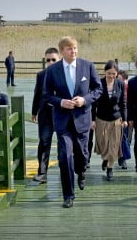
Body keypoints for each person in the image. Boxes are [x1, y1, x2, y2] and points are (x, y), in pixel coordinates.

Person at [43, 36, 102, 208]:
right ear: (62, 51)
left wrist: (85, 100)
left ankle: (82, 171)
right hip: (62, 121)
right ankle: (68, 195)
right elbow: (46, 95)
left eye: (75, 48)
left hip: (82, 119)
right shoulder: (53, 70)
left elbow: (98, 89)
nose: (73, 51)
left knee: (82, 155)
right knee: (65, 156)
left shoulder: (87, 66)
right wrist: (60, 102)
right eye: (69, 49)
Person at [92, 60, 127, 181]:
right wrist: (92, 120)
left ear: (117, 73)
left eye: (114, 73)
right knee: (103, 143)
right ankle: (105, 159)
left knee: (113, 145)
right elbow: (93, 104)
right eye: (109, 73)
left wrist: (125, 119)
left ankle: (109, 168)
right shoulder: (98, 84)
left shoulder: (120, 84)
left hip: (116, 119)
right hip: (101, 118)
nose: (111, 76)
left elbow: (123, 103)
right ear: (105, 72)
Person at [32, 47, 60, 183]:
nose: (50, 62)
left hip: (61, 114)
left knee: (64, 143)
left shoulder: (65, 74)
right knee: (44, 142)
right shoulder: (41, 75)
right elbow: (37, 93)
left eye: (53, 59)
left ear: (59, 59)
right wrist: (34, 111)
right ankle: (42, 173)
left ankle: (65, 169)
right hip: (45, 114)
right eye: (48, 60)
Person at [117, 69, 131, 170]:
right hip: (114, 116)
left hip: (125, 117)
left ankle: (123, 158)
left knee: (124, 137)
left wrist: (128, 118)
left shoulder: (128, 87)